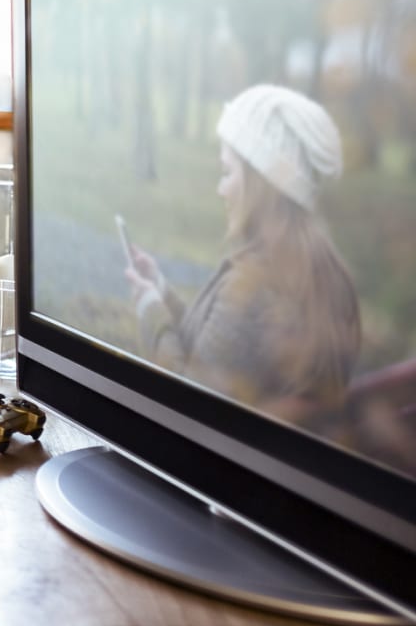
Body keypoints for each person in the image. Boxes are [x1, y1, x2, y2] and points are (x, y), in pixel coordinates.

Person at [124, 83, 362, 415]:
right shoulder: (325, 270)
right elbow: (215, 350)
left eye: (227, 172)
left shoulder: (257, 286)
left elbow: (186, 396)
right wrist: (161, 292)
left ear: (259, 184)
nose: (221, 189)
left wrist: (150, 310)